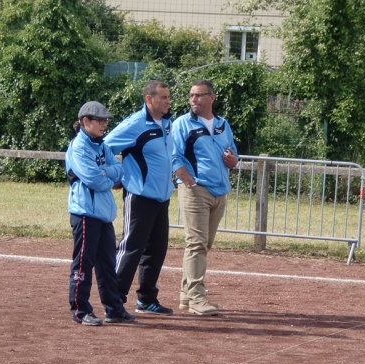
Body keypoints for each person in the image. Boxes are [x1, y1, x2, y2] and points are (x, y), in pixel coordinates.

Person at [104, 80, 175, 315]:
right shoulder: (135, 124)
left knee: (157, 250)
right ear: (149, 99)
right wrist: (116, 174)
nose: (168, 101)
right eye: (163, 97)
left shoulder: (167, 123)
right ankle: (114, 301)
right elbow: (104, 147)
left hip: (161, 198)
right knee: (131, 248)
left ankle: (146, 299)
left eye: (168, 97)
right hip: (139, 196)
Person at [171, 80, 239, 316]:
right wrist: (188, 181)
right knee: (197, 243)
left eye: (199, 95)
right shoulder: (182, 123)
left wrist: (234, 161)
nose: (194, 99)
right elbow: (174, 156)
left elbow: (233, 152)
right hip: (196, 190)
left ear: (212, 97)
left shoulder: (222, 124)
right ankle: (197, 298)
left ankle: (186, 295)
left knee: (203, 244)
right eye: (191, 95)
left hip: (220, 191)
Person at [65, 101, 136, 326]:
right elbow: (94, 179)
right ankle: (80, 309)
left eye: (105, 120)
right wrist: (107, 176)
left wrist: (105, 172)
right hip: (85, 213)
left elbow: (119, 170)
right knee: (83, 263)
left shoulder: (102, 146)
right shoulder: (79, 146)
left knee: (107, 263)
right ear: (85, 121)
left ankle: (114, 308)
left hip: (103, 213)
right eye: (100, 120)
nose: (104, 124)